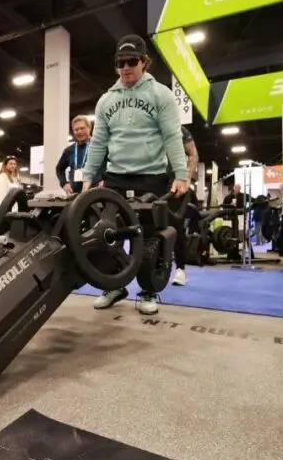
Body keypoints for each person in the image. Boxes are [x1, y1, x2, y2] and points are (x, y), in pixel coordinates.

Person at [80, 34, 189, 315]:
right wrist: (87, 178)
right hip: (115, 177)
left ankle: (148, 291)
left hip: (151, 176)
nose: (126, 68)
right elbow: (98, 143)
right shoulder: (106, 100)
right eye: (120, 62)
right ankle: (114, 286)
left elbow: (172, 137)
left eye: (131, 61)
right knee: (107, 234)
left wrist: (181, 174)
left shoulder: (161, 94)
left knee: (149, 236)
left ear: (144, 62)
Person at [169, 125, 199, 286]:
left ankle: (180, 269)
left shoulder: (179, 130)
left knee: (176, 224)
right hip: (152, 179)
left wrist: (186, 178)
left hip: (175, 182)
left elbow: (193, 154)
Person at [55, 115, 92, 194]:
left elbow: (111, 164)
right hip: (75, 194)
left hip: (95, 192)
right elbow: (59, 169)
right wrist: (64, 183)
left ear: (89, 128)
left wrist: (104, 180)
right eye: (76, 129)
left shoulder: (98, 147)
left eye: (82, 128)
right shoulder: (69, 150)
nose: (79, 132)